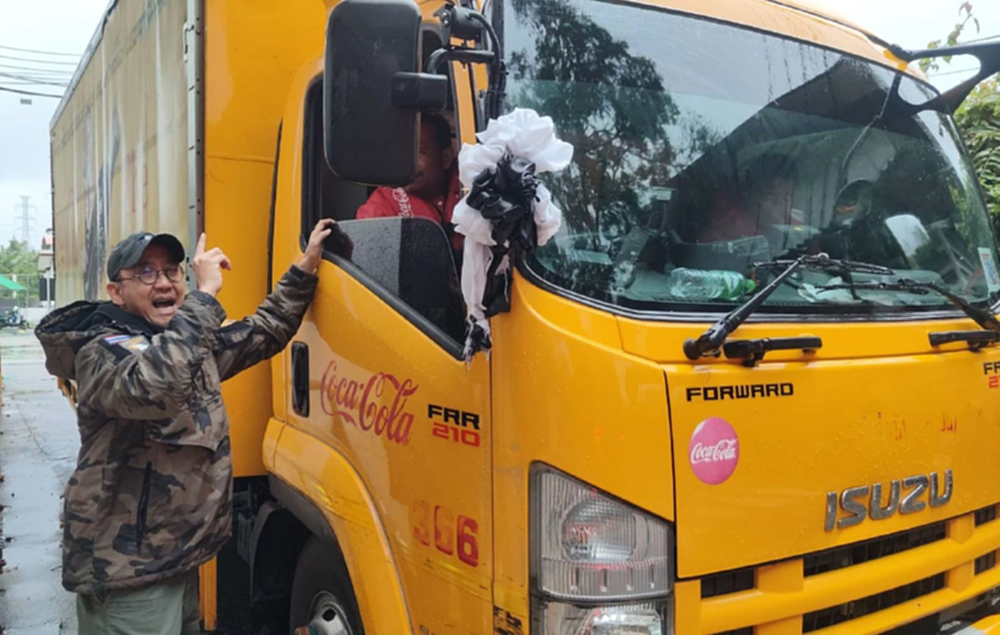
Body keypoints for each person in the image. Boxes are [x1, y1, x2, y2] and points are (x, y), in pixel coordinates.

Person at [35, 219, 335, 634]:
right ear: (116, 293)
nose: (164, 283)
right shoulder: (101, 350)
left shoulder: (186, 345)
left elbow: (265, 331)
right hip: (127, 574)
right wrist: (205, 296)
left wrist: (304, 267)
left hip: (178, 559)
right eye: (145, 272)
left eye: (172, 271)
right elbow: (155, 387)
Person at [356, 113, 463, 250]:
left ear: (446, 158)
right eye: (402, 152)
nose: (406, 164)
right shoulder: (381, 209)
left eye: (419, 152)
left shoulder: (472, 190)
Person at [698, 153, 801, 243]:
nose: (780, 204)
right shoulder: (726, 235)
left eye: (787, 197)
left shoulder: (798, 229)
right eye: (772, 195)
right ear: (752, 196)